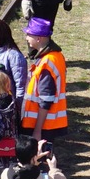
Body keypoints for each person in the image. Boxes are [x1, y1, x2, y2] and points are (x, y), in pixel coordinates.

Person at [19, 21, 68, 149]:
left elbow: (46, 99)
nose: (26, 38)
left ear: (38, 38)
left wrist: (37, 130)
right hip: (48, 123)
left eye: (29, 35)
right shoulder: (56, 56)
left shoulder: (46, 63)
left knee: (40, 159)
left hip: (41, 124)